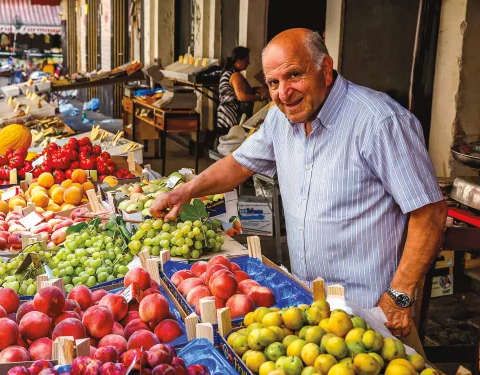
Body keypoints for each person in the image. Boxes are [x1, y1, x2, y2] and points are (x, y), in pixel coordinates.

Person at [150, 28, 447, 337]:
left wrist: (400, 296)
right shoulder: (282, 118)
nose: (283, 92)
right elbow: (239, 164)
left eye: (294, 75)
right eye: (273, 83)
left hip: (370, 313)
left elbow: (431, 212)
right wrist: (184, 192)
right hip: (307, 306)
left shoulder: (380, 122)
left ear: (326, 70)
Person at [217, 47, 269, 134]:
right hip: (230, 116)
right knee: (232, 144)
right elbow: (242, 97)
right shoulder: (235, 75)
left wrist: (258, 89)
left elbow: (244, 90)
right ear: (238, 60)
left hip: (225, 116)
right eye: (247, 59)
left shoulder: (230, 73)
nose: (249, 63)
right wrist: (261, 97)